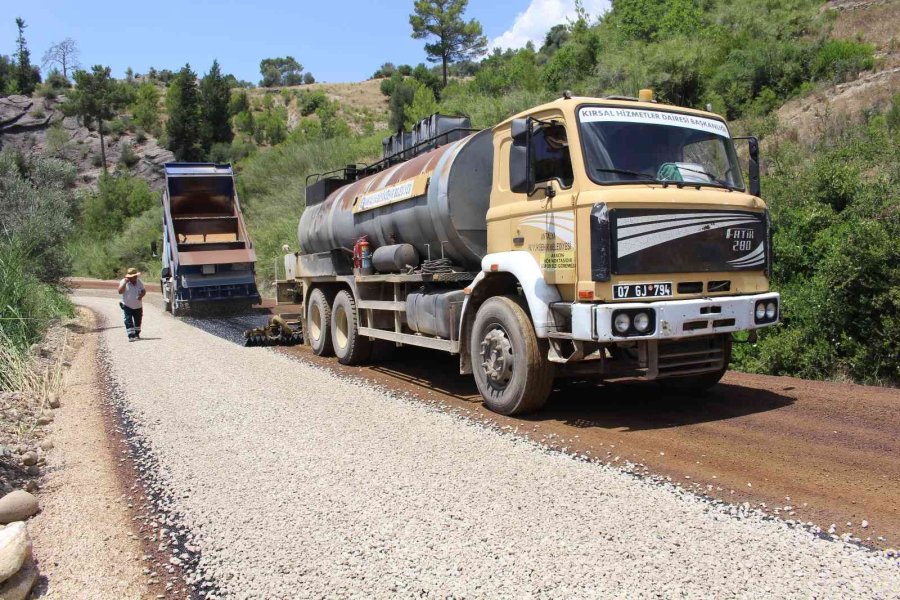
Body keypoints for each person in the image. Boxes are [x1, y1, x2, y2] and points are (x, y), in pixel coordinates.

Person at [117, 267, 146, 342]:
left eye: (135, 276)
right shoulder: (123, 282)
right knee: (128, 320)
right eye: (132, 276)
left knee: (138, 321)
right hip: (127, 305)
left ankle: (137, 334)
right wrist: (124, 283)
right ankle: (131, 336)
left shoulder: (139, 282)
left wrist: (141, 296)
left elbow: (143, 291)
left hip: (138, 306)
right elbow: (120, 291)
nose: (134, 278)